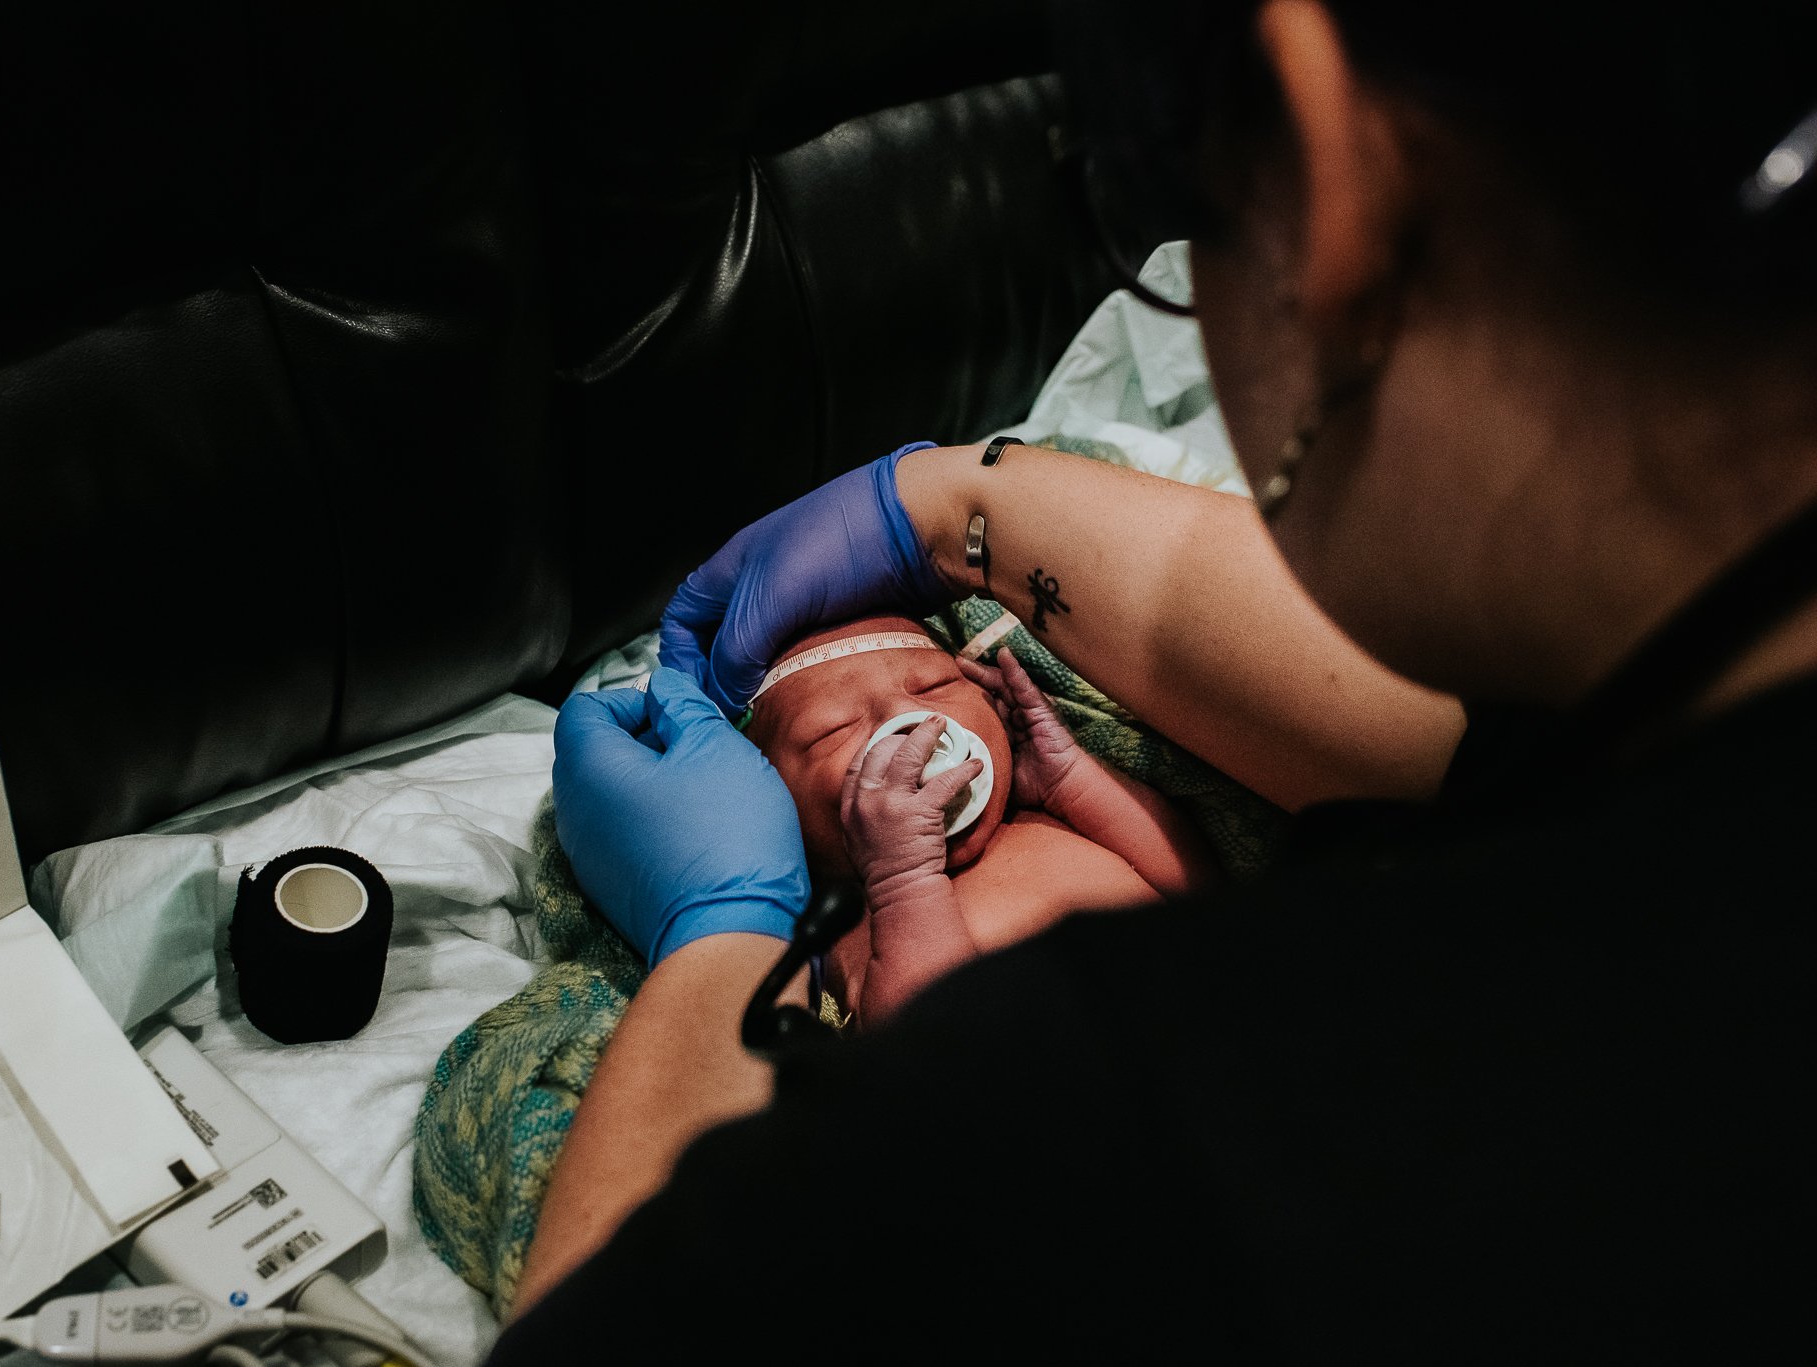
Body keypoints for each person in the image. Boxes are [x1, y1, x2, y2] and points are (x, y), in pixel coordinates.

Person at [503, 0, 1817, 1355]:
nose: (892, 724)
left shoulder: (1136, 1126)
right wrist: (959, 500)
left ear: (1332, 175)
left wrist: (724, 928)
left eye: (1181, 221)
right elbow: (1435, 730)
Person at [743, 614, 1210, 1024]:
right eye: (831, 730)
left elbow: (1197, 891)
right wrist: (904, 882)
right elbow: (933, 1046)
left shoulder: (1043, 820)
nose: (911, 719)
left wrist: (1068, 777)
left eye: (935, 687)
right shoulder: (846, 930)